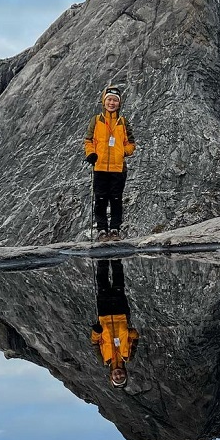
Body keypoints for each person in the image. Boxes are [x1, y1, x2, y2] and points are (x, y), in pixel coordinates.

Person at [83, 85, 136, 241]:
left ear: (119, 103)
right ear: (104, 101)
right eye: (109, 100)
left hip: (118, 168)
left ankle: (114, 229)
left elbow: (131, 143)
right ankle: (101, 230)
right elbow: (88, 140)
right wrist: (91, 153)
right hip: (99, 167)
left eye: (115, 100)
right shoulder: (96, 120)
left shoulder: (123, 122)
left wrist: (123, 152)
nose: (111, 103)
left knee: (116, 199)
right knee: (100, 199)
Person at [90, 259, 139, 388]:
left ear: (111, 377)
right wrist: (128, 332)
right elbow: (135, 337)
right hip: (121, 315)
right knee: (118, 284)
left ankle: (102, 257)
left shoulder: (104, 359)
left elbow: (95, 343)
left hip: (104, 317)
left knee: (102, 285)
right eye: (121, 377)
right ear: (125, 374)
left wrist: (97, 332)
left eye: (116, 378)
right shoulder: (128, 356)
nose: (118, 376)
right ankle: (116, 257)